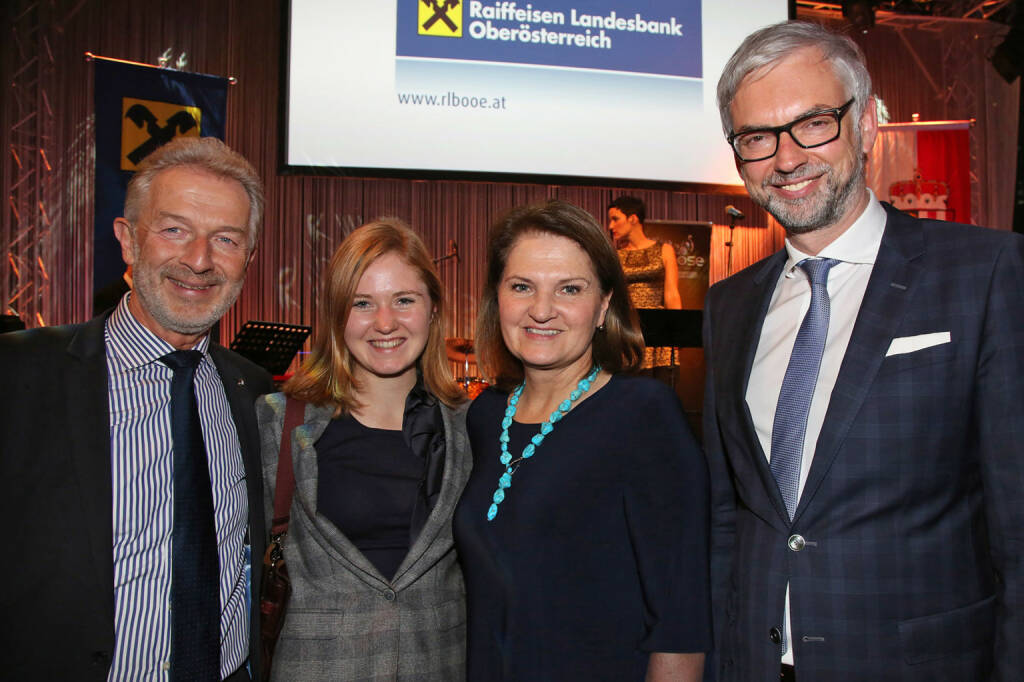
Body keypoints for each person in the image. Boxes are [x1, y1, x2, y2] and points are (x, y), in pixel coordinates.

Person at [702, 21, 1024, 682]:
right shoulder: (729, 305)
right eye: (756, 138)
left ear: (867, 126)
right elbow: (726, 517)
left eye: (813, 122)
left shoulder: (985, 273)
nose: (786, 158)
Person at [0, 136, 274, 680]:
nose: (199, 260)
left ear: (248, 258)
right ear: (127, 241)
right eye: (174, 230)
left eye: (225, 238)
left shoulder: (254, 391)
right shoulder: (18, 378)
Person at [455, 199, 711, 680]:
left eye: (569, 289)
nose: (542, 309)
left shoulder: (641, 414)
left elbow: (681, 619)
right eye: (522, 287)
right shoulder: (485, 416)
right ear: (498, 297)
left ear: (603, 306)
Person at [256, 218, 471, 680]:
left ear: (433, 309)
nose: (386, 323)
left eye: (404, 300)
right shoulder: (279, 421)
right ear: (337, 316)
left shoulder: (473, 429)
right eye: (363, 303)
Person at [609, 196, 682, 381]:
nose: (610, 226)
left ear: (633, 218)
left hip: (658, 333)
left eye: (615, 219)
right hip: (628, 330)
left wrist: (677, 335)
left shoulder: (664, 249)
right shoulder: (615, 256)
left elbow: (671, 294)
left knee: (659, 393)